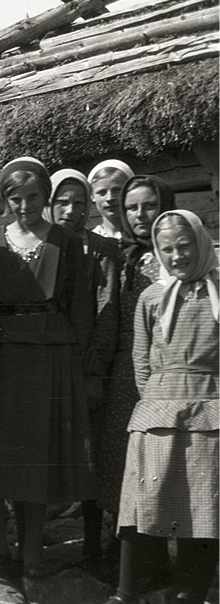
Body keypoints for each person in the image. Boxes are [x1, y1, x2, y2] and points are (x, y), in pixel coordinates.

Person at [86, 210, 217, 604]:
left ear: (200, 243)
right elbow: (141, 360)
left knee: (203, 513)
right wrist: (155, 400)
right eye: (167, 249)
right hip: (158, 409)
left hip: (210, 410)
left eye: (185, 246)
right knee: (142, 508)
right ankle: (126, 596)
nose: (177, 256)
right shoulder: (151, 298)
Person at [0, 157, 95, 578]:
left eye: (33, 196)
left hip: (48, 355)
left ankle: (33, 550)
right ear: (5, 199)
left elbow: (80, 305)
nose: (24, 205)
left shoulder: (65, 241)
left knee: (35, 454)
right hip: (0, 358)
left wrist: (77, 362)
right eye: (15, 198)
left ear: (46, 195)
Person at [48, 168, 122, 566]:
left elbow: (107, 311)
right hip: (46, 362)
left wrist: (94, 368)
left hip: (84, 362)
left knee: (91, 452)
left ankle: (93, 543)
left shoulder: (99, 250)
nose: (71, 210)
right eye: (63, 201)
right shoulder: (41, 244)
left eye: (79, 202)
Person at [99, 176, 177, 517]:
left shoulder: (179, 255)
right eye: (131, 208)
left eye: (149, 206)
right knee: (120, 456)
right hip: (124, 374)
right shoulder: (120, 258)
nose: (140, 215)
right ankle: (122, 548)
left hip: (170, 375)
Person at [87, 160, 134, 241]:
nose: (109, 198)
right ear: (92, 196)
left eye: (116, 190)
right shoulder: (88, 241)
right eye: (102, 192)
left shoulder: (145, 236)